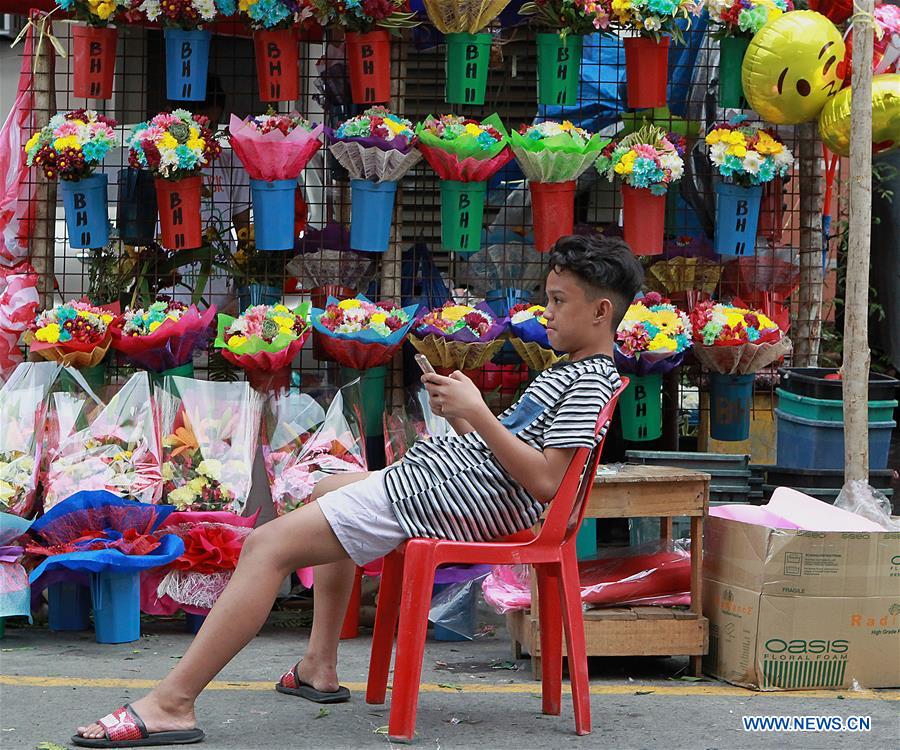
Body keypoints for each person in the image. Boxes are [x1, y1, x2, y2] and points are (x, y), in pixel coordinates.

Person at [73, 234, 644, 748]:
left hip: (445, 497)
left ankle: (173, 703)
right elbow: (520, 455)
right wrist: (464, 415)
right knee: (325, 486)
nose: (547, 312)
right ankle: (318, 665)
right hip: (449, 485)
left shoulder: (586, 380)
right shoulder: (573, 371)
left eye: (559, 301)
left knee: (265, 547)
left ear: (601, 311)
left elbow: (544, 481)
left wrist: (478, 414)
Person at [155, 74, 250, 315]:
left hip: (221, 292)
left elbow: (243, 229)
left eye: (212, 127)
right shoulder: (158, 160)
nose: (207, 135)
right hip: (170, 292)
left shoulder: (229, 160)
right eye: (200, 127)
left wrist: (246, 276)